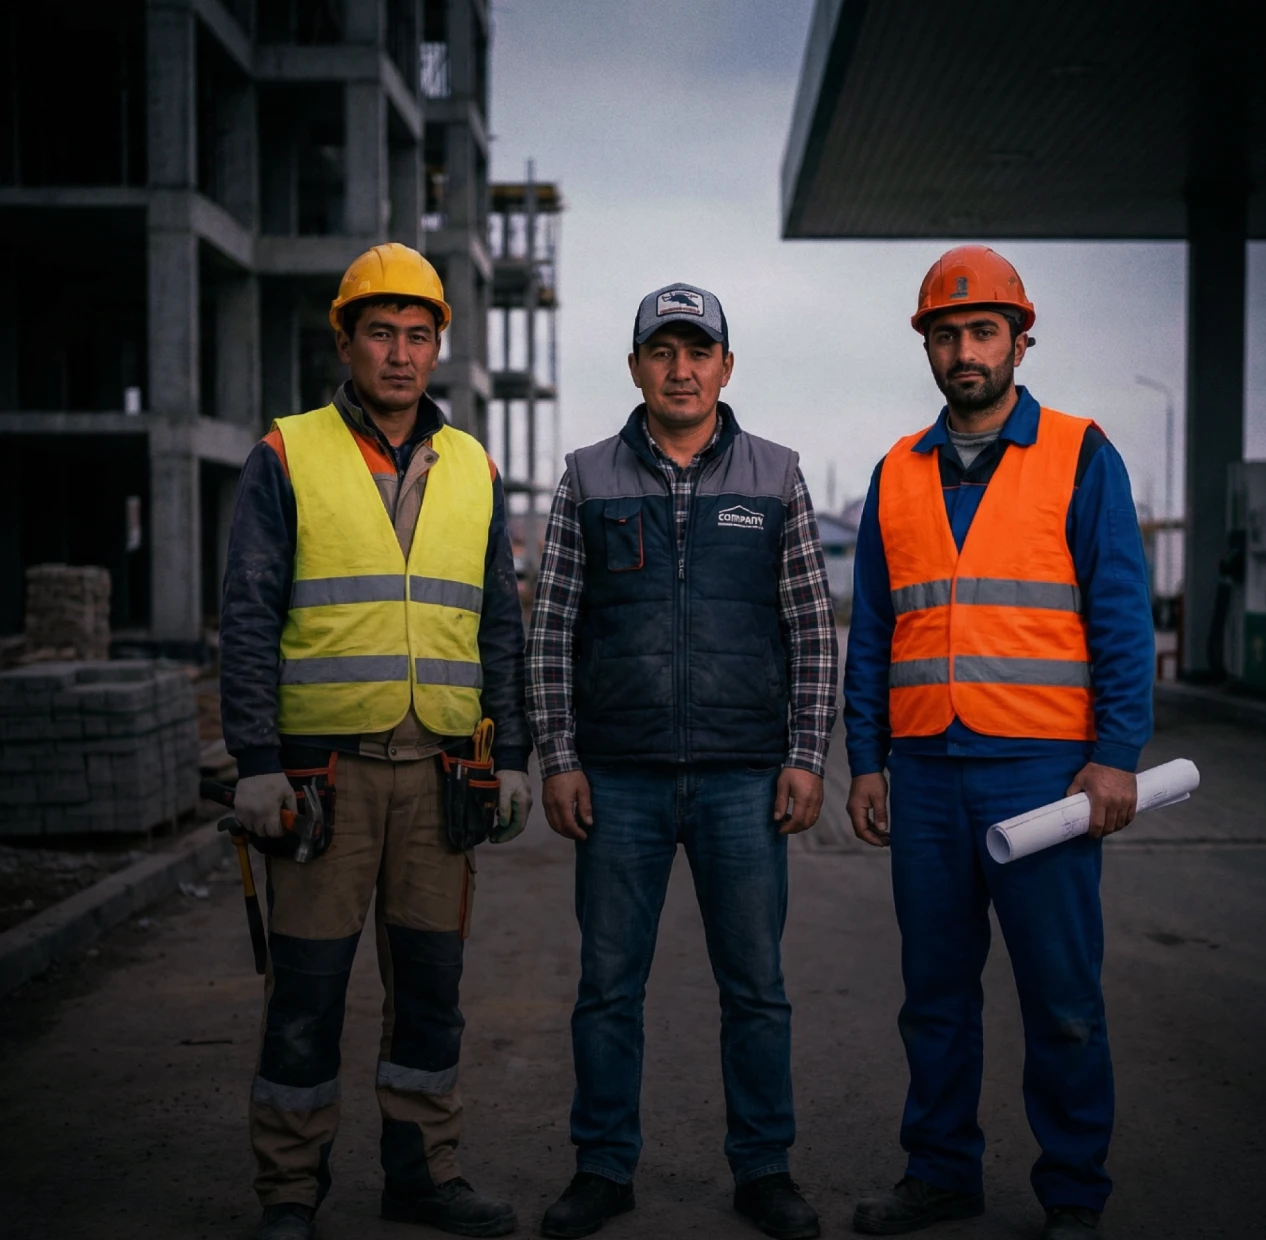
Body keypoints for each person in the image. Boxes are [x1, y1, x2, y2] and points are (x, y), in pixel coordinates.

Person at [220, 242, 531, 1240]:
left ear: (439, 347)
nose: (400, 354)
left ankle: (422, 1176)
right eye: (381, 333)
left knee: (430, 996)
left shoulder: (475, 466)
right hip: (325, 781)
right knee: (306, 995)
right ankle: (287, 1191)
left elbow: (499, 624)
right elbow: (250, 611)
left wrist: (513, 753)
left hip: (440, 776)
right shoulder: (287, 452)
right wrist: (257, 761)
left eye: (418, 335)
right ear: (346, 341)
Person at [844, 247, 1154, 1239]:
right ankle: (941, 1170)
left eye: (983, 331)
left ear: (1021, 338)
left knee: (1062, 997)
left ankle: (1073, 1192)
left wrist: (1116, 754)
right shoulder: (897, 472)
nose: (964, 349)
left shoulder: (1080, 453)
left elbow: (1122, 618)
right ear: (927, 346)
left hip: (1043, 774)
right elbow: (874, 633)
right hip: (928, 771)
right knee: (935, 994)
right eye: (947, 333)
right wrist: (865, 758)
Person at [526, 284, 838, 1240]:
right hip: (617, 779)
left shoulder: (776, 473)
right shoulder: (587, 478)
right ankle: (604, 1167)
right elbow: (551, 629)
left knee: (756, 987)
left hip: (746, 777)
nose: (681, 368)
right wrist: (558, 757)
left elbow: (812, 628)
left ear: (726, 367)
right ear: (635, 369)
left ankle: (764, 1169)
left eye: (698, 351)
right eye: (661, 352)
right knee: (609, 988)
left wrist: (807, 754)